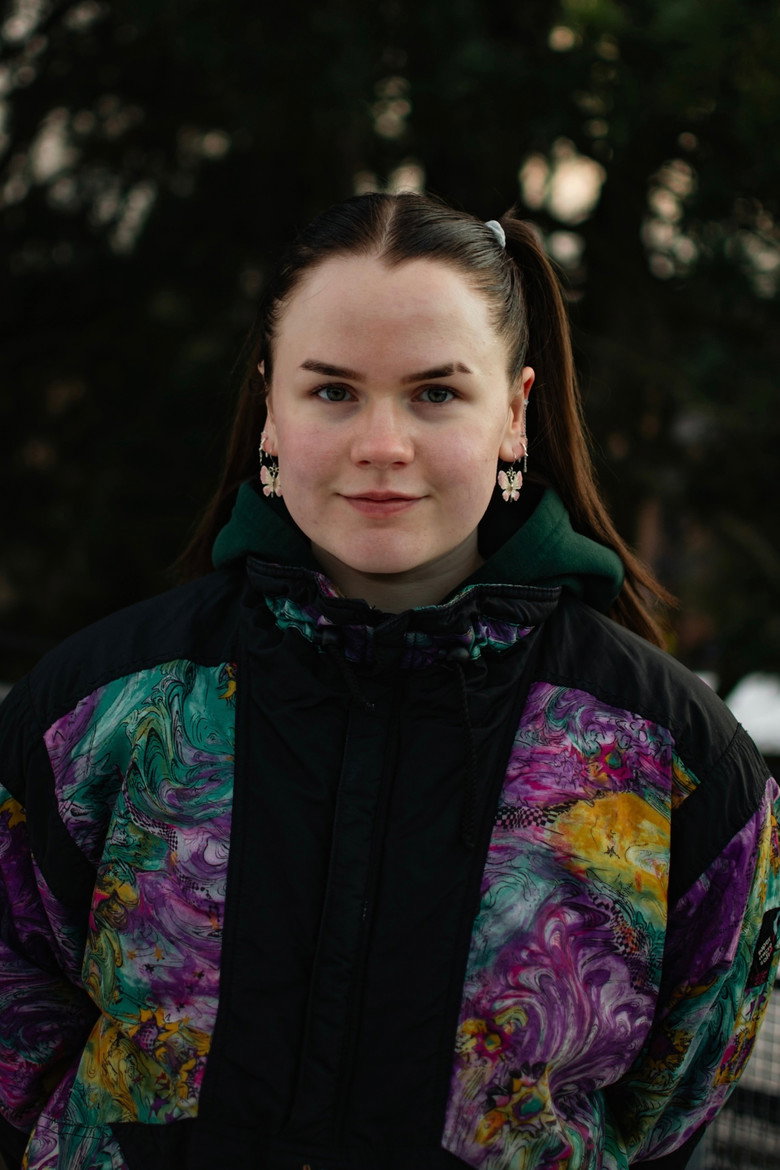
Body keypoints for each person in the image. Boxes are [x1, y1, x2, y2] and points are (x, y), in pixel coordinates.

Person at [0, 192, 777, 1170]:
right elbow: (17, 1049)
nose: (381, 444)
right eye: (333, 391)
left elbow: (674, 1106)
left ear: (514, 413)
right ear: (271, 407)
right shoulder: (98, 717)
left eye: (435, 394)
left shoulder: (674, 764)